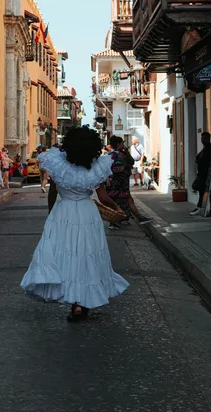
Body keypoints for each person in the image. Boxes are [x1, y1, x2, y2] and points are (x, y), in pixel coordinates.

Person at [21, 126, 129, 322]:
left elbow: (53, 191)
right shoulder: (96, 168)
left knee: (66, 255)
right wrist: (118, 209)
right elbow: (103, 197)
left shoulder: (58, 165)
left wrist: (51, 212)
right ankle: (82, 302)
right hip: (88, 213)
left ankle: (73, 302)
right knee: (86, 256)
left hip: (64, 212)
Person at [105, 136, 152, 230]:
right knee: (121, 201)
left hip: (121, 183)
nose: (123, 144)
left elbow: (131, 161)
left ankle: (134, 218)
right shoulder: (113, 155)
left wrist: (126, 152)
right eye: (122, 143)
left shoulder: (120, 154)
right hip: (117, 184)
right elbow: (115, 168)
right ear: (118, 144)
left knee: (127, 200)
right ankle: (115, 221)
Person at [190, 132, 211, 216]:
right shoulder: (205, 148)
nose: (202, 140)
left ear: (208, 139)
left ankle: (201, 207)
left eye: (204, 138)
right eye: (201, 138)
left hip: (206, 174)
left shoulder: (210, 148)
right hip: (201, 174)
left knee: (202, 190)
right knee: (199, 189)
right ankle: (200, 206)